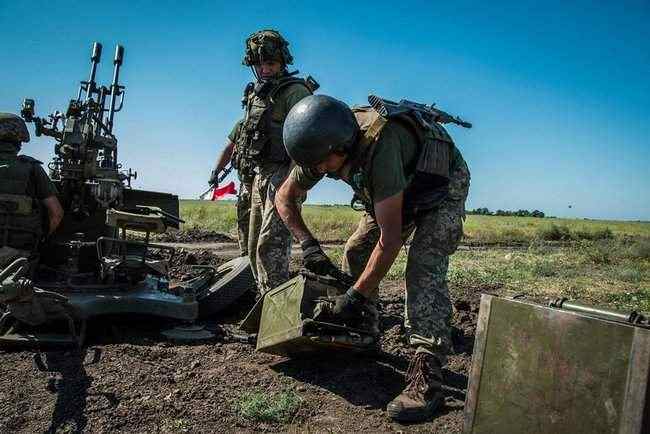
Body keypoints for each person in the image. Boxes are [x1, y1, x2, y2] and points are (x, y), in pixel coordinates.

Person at [275, 95, 470, 422]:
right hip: (395, 186)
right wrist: (308, 246)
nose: (320, 172)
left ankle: (428, 371)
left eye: (324, 165)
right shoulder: (320, 142)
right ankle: (365, 333)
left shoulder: (380, 148)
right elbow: (285, 199)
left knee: (423, 267)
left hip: (440, 188)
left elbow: (390, 240)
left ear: (341, 148)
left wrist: (354, 295)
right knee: (356, 250)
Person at [236, 29, 316, 293]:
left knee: (270, 247)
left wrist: (291, 187)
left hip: (284, 175)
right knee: (252, 248)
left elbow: (307, 142)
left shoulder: (295, 92)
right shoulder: (257, 94)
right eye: (259, 64)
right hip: (260, 176)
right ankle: (263, 303)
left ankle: (277, 315)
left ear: (282, 62)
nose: (264, 70)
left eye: (270, 63)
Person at [0, 113, 64, 268]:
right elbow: (56, 214)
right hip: (17, 257)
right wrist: (40, 238)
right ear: (18, 141)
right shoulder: (32, 168)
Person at [209, 119, 254, 256]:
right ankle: (246, 257)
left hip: (269, 184)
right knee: (244, 222)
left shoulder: (277, 120)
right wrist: (216, 172)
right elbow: (229, 150)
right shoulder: (242, 125)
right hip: (246, 185)